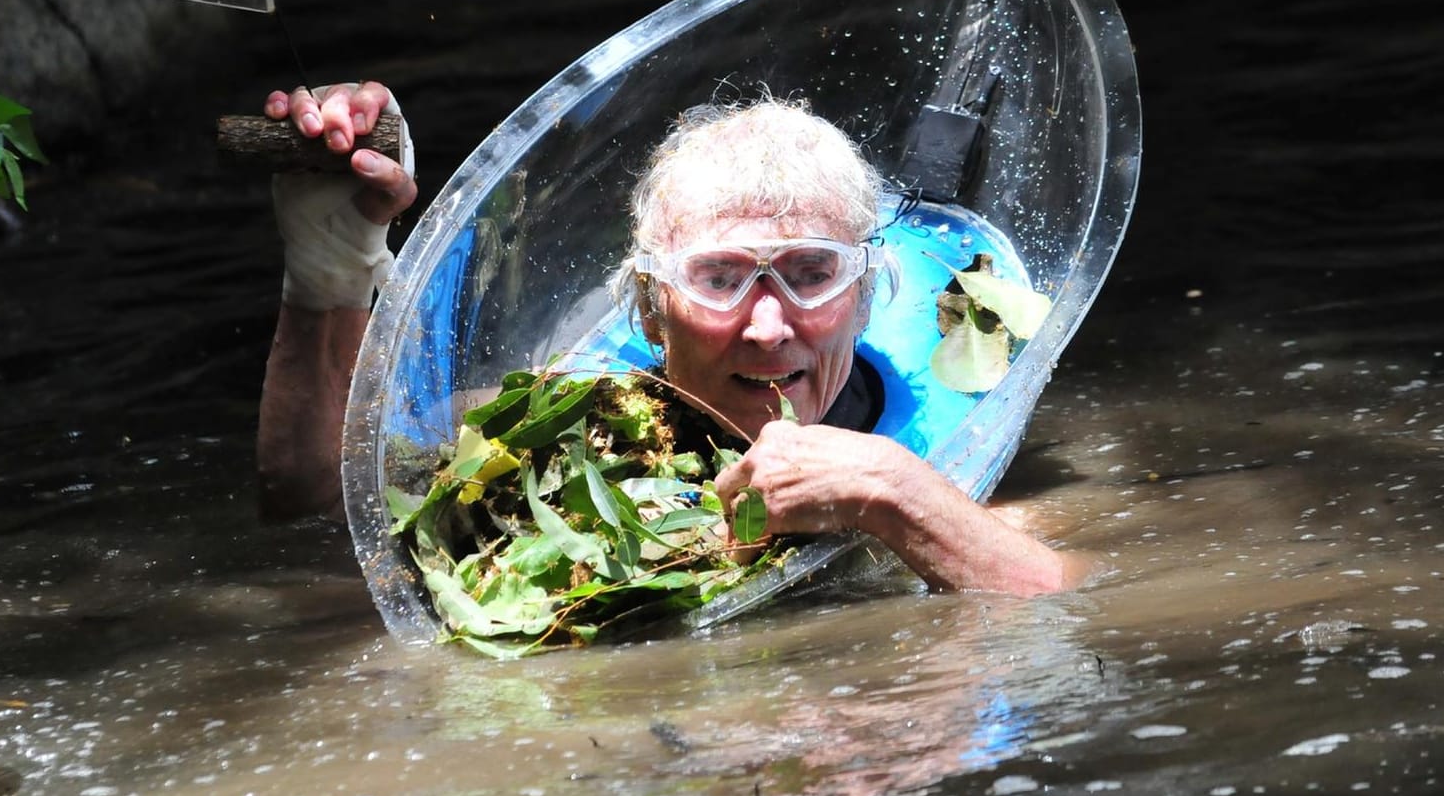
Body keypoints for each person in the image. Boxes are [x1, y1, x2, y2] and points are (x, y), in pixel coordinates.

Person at [258, 81, 1080, 596]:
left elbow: (1074, 610)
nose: (768, 326)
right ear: (650, 310)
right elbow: (317, 508)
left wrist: (894, 493)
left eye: (811, 273)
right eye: (720, 278)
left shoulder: (955, 452)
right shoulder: (549, 431)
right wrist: (328, 275)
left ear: (866, 297)